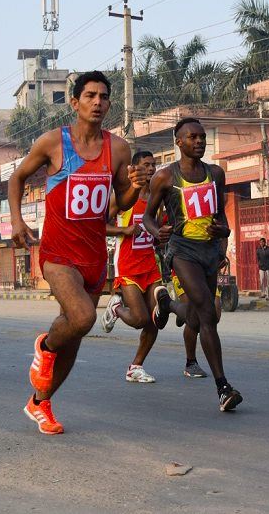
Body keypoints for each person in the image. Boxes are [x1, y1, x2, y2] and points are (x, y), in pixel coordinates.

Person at [9, 71, 148, 435]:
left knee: (74, 339)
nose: (97, 102)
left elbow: (120, 203)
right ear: (74, 102)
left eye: (103, 96)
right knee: (83, 317)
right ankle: (44, 345)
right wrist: (17, 221)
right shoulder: (54, 143)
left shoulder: (118, 148)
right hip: (58, 254)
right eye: (90, 95)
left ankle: (40, 403)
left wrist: (134, 187)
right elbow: (16, 179)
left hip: (93, 256)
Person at [143, 117, 242, 412]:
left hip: (210, 252)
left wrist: (223, 233)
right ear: (179, 142)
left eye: (202, 137)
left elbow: (221, 217)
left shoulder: (215, 174)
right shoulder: (164, 177)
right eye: (192, 137)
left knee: (199, 318)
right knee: (208, 311)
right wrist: (155, 231)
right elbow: (148, 216)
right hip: (182, 251)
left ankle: (168, 305)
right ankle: (223, 387)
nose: (199, 141)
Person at [101, 150, 173, 383]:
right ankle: (116, 309)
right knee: (140, 319)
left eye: (154, 165)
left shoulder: (157, 197)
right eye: (145, 165)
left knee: (156, 318)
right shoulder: (122, 198)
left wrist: (161, 236)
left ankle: (136, 367)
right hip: (128, 266)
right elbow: (98, 227)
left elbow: (157, 230)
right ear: (134, 169)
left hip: (150, 265)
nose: (151, 169)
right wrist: (124, 230)